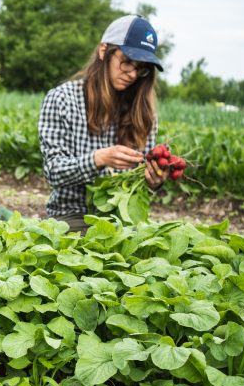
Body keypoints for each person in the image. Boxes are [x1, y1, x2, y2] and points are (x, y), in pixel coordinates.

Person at [38, 14, 169, 234]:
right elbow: (53, 171)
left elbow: (140, 188)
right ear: (103, 52)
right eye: (126, 62)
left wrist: (153, 180)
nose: (133, 74)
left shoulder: (143, 113)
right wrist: (99, 159)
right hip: (71, 216)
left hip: (123, 221)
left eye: (141, 68)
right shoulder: (62, 99)